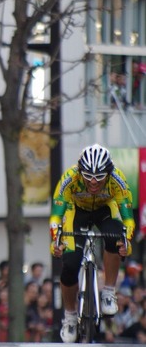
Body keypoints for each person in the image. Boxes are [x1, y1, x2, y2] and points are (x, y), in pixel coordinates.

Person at [49, 144, 135, 343]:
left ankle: (108, 291)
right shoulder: (69, 179)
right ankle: (70, 316)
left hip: (106, 209)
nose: (94, 182)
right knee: (70, 265)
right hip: (76, 211)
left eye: (100, 177)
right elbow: (56, 217)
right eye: (88, 177)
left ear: (109, 173)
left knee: (115, 237)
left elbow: (128, 220)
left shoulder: (118, 181)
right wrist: (55, 241)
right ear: (80, 172)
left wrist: (127, 243)